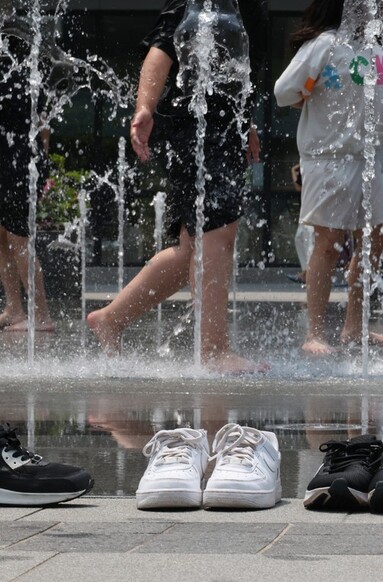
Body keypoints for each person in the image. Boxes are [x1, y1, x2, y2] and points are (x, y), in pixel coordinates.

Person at [86, 0, 269, 373]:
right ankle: (214, 350)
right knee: (217, 232)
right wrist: (145, 108)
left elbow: (235, 69)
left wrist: (245, 122)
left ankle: (111, 318)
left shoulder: (243, 5)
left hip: (224, 126)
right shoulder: (193, 0)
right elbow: (161, 49)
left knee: (192, 247)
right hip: (194, 126)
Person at [275, 0, 383, 356]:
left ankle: (353, 327)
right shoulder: (323, 44)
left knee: (375, 239)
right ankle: (314, 333)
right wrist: (307, 93)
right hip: (327, 157)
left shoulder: (374, 48)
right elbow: (284, 91)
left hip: (365, 158)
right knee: (328, 243)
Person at [0, 11, 55, 334]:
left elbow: (41, 119)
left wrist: (40, 162)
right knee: (3, 236)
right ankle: (15, 309)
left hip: (17, 162)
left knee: (19, 238)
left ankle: (42, 314)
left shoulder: (19, 68)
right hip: (12, 161)